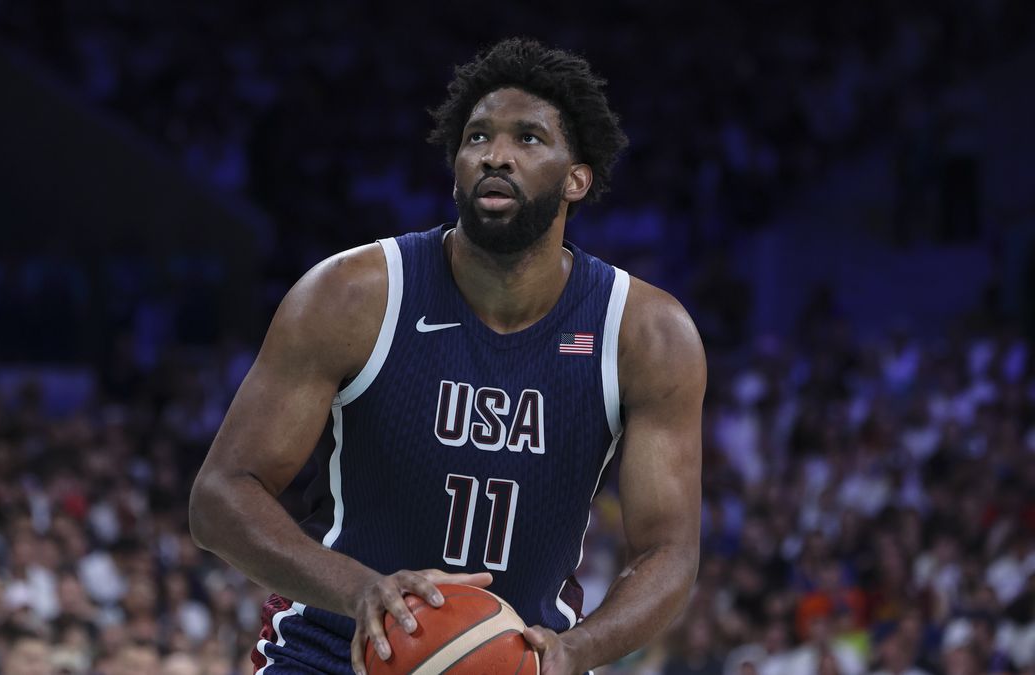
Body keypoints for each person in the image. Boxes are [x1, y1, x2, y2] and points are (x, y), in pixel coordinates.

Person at [189, 38, 705, 675]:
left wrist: (580, 650)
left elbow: (668, 552)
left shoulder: (646, 332)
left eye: (529, 139)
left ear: (577, 178)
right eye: (477, 137)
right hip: (331, 651)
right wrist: (358, 590)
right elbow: (219, 496)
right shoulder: (353, 295)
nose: (496, 155)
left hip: (520, 659)